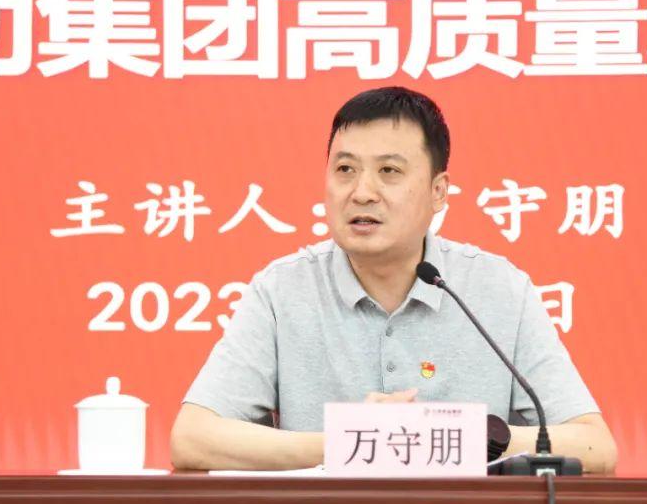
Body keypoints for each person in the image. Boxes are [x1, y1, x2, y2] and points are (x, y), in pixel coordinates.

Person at [169, 86, 618, 474]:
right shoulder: (281, 291)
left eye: (389, 171)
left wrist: (454, 436)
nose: (362, 192)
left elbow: (595, 447)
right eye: (345, 169)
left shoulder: (501, 290)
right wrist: (357, 443)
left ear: (438, 192)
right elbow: (192, 439)